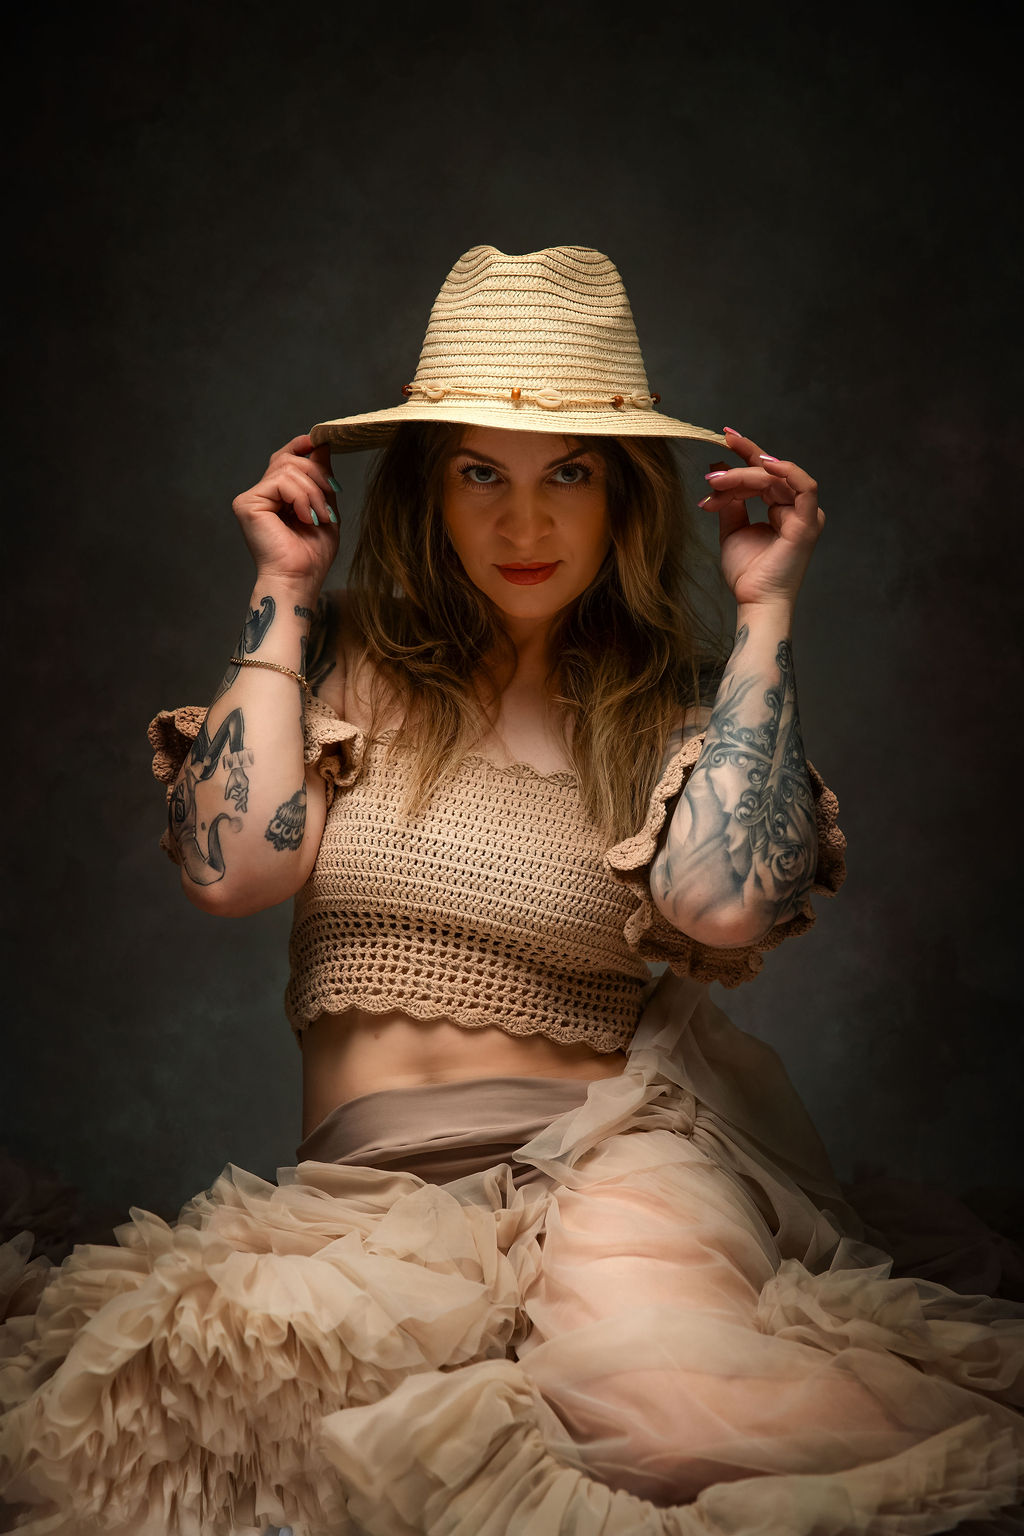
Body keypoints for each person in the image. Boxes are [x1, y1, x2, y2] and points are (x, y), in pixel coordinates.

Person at [1, 245, 1021, 1536]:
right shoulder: (346, 667)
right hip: (365, 1212)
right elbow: (228, 869)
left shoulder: (667, 707)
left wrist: (765, 615)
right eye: (481, 473)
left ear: (622, 497)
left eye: (568, 477)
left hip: (608, 1168)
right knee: (221, 1450)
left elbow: (722, 907)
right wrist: (282, 591)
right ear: (430, 490)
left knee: (655, 1406)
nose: (523, 524)